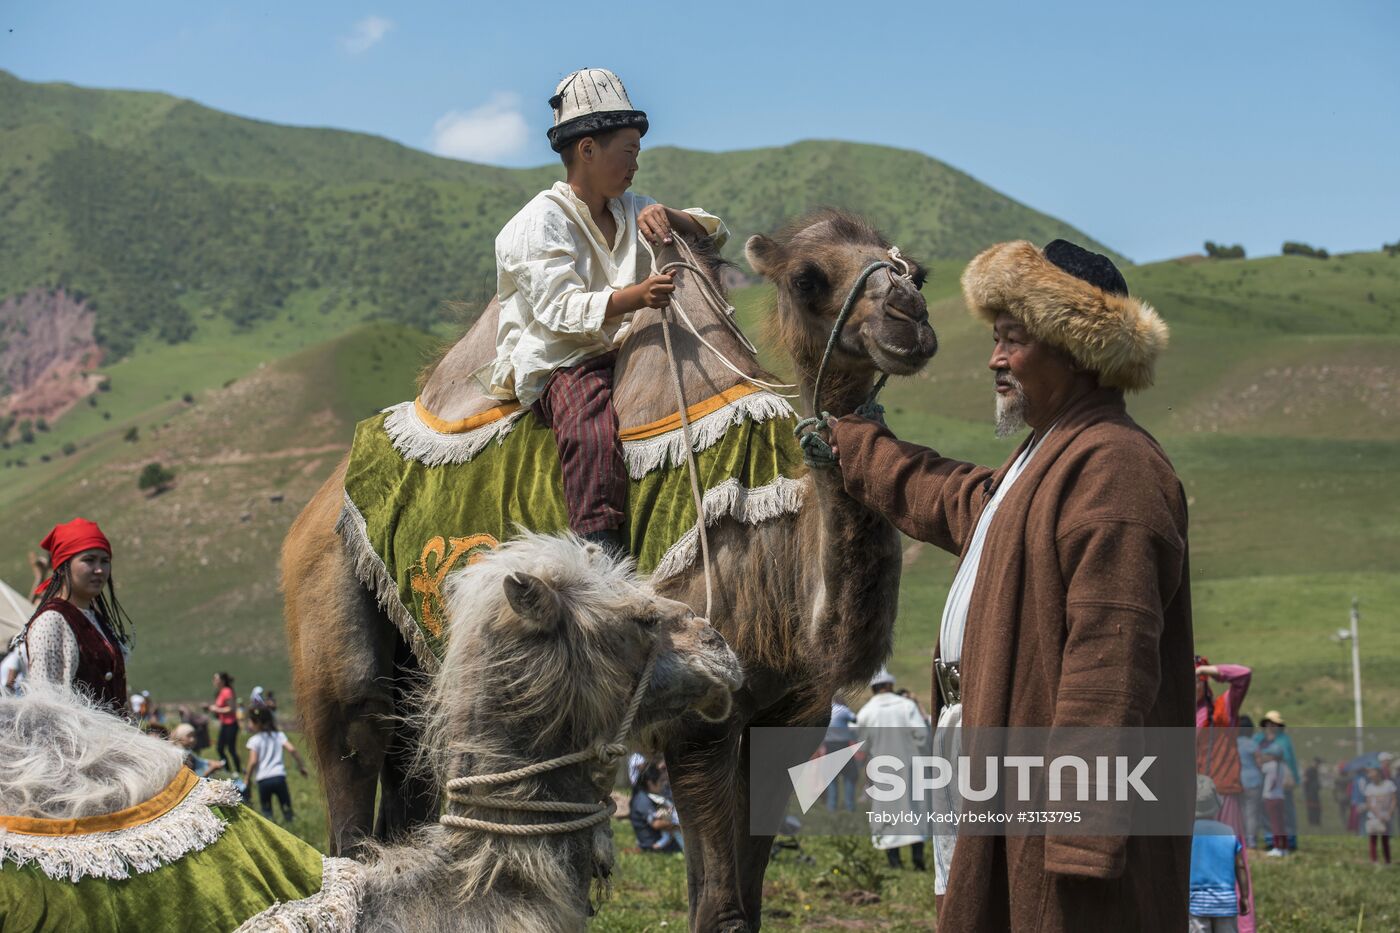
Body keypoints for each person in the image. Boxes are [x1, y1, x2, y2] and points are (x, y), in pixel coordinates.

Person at [829, 239, 1190, 931]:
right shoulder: (1047, 457)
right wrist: (856, 443)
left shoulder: (1114, 466)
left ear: (1072, 346)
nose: (994, 358)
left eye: (1012, 340)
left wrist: (1079, 834)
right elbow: (955, 496)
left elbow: (1107, 665)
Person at [488, 68, 728, 554]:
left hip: (622, 348)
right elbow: (559, 309)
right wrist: (637, 297)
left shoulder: (633, 206)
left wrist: (672, 218)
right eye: (629, 152)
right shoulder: (538, 222)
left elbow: (713, 233)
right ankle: (598, 550)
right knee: (590, 426)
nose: (635, 165)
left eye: (638, 154)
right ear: (588, 150)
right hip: (563, 358)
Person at [22, 518, 133, 710]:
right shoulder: (51, 622)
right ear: (64, 566)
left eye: (105, 561)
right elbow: (44, 708)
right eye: (89, 560)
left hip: (112, 738)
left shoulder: (96, 619)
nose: (99, 570)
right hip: (77, 739)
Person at [1195, 658, 1255, 930]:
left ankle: (1242, 924)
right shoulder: (1179, 712)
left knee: (1231, 855)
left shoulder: (1223, 709)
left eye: (1196, 680)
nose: (1192, 685)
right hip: (1190, 797)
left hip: (1223, 792)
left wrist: (1210, 671)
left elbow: (1243, 675)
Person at [854, 668, 928, 871]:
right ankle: (917, 857)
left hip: (882, 770)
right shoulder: (906, 706)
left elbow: (862, 746)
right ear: (889, 686)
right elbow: (921, 735)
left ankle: (894, 861)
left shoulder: (866, 712)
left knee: (886, 813)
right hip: (909, 766)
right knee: (914, 811)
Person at [1190, 776, 1251, 933]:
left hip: (1196, 904)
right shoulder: (1228, 832)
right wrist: (1244, 896)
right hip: (1226, 902)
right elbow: (1240, 865)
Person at [244, 706, 307, 823]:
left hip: (263, 781)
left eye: (250, 721)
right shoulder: (279, 736)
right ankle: (290, 825)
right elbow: (292, 749)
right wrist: (301, 766)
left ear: (256, 722)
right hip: (279, 777)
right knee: (286, 808)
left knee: (267, 812)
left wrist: (247, 778)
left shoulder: (254, 740)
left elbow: (252, 762)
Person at [1256, 710, 1299, 851]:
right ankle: (1271, 839)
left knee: (1286, 812)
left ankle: (1289, 840)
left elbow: (1286, 757)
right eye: (1269, 723)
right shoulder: (1258, 739)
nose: (1272, 726)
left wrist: (1267, 758)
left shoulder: (1283, 740)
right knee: (1267, 811)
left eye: (1275, 723)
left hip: (1282, 780)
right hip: (1263, 779)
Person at [629, 763, 682, 853]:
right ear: (650, 783)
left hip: (658, 839)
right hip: (654, 844)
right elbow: (656, 824)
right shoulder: (642, 799)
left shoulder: (645, 795)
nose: (662, 784)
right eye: (660, 781)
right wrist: (678, 825)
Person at [822, 696, 860, 811]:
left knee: (831, 778)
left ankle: (831, 807)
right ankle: (849, 807)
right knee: (849, 776)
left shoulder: (827, 710)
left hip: (829, 746)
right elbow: (854, 719)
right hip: (842, 746)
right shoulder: (843, 709)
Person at [1235, 715, 1264, 847]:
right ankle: (1251, 840)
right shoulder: (1253, 744)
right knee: (1252, 812)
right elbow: (1259, 763)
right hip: (1253, 781)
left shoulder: (1233, 743)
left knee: (1240, 811)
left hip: (1238, 781)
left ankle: (1241, 839)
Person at [207, 671, 241, 773]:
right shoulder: (220, 692)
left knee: (231, 749)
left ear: (222, 681)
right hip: (224, 723)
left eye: (216, 679)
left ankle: (238, 770)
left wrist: (216, 710)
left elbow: (232, 708)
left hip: (231, 724)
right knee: (220, 748)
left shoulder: (227, 691)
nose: (214, 681)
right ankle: (228, 769)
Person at [1258, 746, 1289, 856]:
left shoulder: (1269, 766)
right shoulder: (1283, 766)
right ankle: (1284, 847)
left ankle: (1277, 847)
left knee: (1274, 824)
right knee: (1281, 824)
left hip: (1270, 797)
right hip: (1280, 797)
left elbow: (1260, 767)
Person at [1362, 766, 1395, 866]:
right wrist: (1378, 815)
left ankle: (1387, 861)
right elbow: (1368, 803)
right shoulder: (1369, 787)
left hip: (1386, 816)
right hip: (1374, 817)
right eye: (1370, 774)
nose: (1371, 776)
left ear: (1379, 774)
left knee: (1385, 839)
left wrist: (1389, 813)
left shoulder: (1389, 784)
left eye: (1373, 773)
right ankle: (1374, 861)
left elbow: (1394, 799)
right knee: (1373, 839)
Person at [1304, 757, 1323, 827]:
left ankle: (1316, 821)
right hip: (1310, 792)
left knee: (1316, 807)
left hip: (1315, 792)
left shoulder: (1315, 770)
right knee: (1312, 807)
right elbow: (1306, 781)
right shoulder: (1310, 770)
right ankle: (1312, 821)